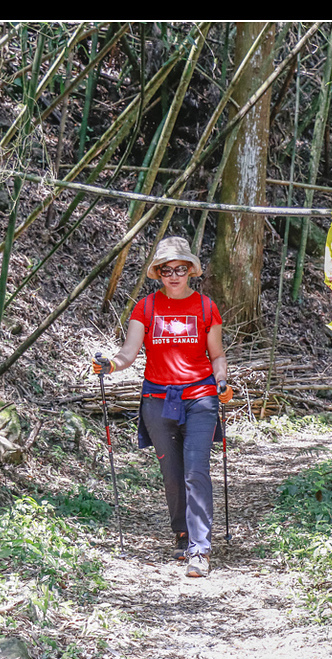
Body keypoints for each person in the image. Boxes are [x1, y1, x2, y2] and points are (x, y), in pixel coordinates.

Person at [93, 237, 233, 578]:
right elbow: (129, 352)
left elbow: (217, 355)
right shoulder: (146, 307)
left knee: (195, 471)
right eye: (167, 270)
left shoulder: (205, 307)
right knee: (172, 476)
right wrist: (110, 365)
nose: (174, 275)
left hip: (200, 396)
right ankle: (182, 531)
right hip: (158, 400)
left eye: (180, 269)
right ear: (158, 273)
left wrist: (222, 382)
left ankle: (200, 549)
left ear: (190, 272)